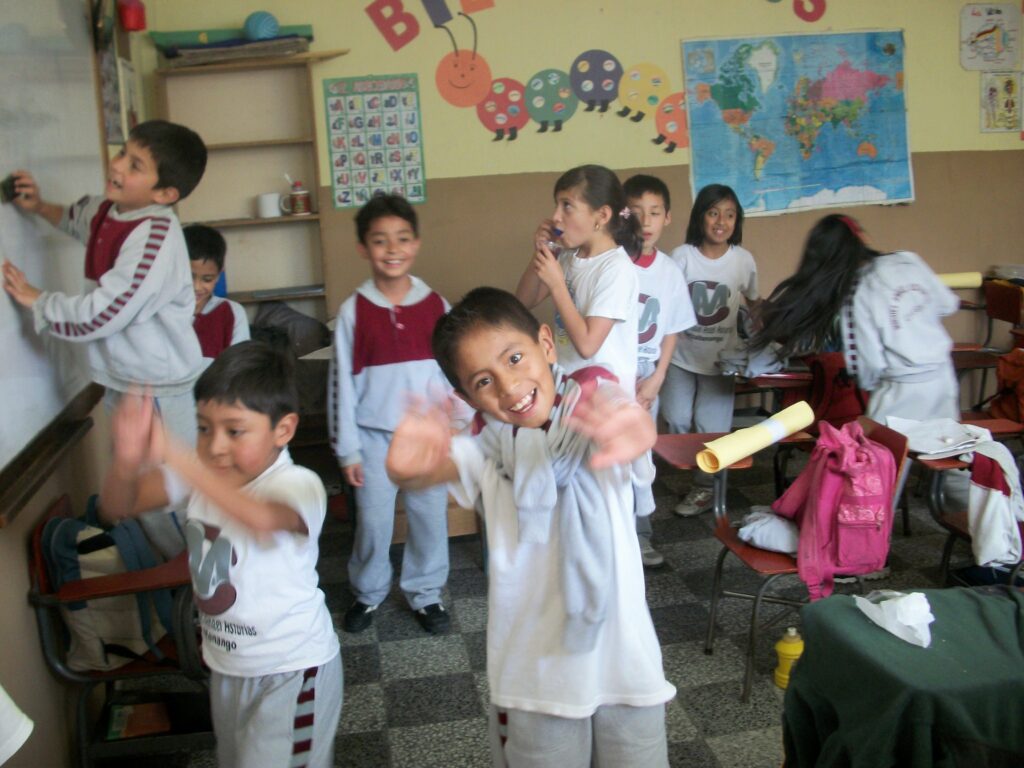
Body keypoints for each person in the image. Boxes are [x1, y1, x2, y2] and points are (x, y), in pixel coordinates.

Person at [389, 287, 675, 768]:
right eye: (484, 381)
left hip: (623, 661)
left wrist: (630, 434)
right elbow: (427, 468)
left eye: (515, 358)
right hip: (536, 677)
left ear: (546, 344)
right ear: (464, 397)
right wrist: (405, 464)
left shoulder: (592, 402)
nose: (509, 386)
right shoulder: (485, 446)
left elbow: (632, 424)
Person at [99, 341, 342, 768]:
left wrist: (177, 454)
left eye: (234, 430)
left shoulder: (298, 484)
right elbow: (118, 505)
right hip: (228, 667)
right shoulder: (202, 473)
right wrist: (125, 457)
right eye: (203, 428)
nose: (214, 447)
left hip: (291, 669)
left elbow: (262, 520)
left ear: (282, 430)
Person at [2, 120, 207, 445]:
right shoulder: (109, 209)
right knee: (129, 482)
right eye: (123, 153)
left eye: (135, 165)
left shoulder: (153, 238)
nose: (118, 165)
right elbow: (79, 219)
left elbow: (104, 314)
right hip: (123, 379)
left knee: (167, 490)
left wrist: (40, 301)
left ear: (165, 194)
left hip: (156, 389)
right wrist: (39, 206)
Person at [329, 192, 459, 634]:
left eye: (402, 239)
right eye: (381, 241)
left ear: (416, 243)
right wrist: (347, 450)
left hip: (424, 440)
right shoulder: (353, 312)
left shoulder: (436, 305)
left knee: (429, 519)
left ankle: (426, 594)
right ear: (364, 248)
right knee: (374, 523)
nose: (393, 249)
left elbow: (453, 373)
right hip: (372, 439)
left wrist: (451, 428)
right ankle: (368, 593)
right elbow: (342, 386)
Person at [751, 213, 960, 421]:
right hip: (944, 378)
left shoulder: (857, 293)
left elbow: (870, 365)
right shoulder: (908, 260)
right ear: (862, 238)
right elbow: (948, 304)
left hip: (900, 390)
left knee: (883, 451)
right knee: (944, 445)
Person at [662, 183, 759, 517]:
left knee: (712, 429)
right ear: (700, 216)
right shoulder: (681, 256)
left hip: (721, 362)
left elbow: (754, 301)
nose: (722, 221)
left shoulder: (743, 261)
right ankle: (694, 471)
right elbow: (665, 302)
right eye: (714, 212)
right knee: (676, 419)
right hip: (680, 357)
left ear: (737, 220)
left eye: (730, 215)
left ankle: (704, 489)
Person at [623, 174, 696, 568]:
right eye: (635, 213)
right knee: (606, 461)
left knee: (640, 459)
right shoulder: (612, 263)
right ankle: (610, 539)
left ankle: (642, 535)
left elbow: (671, 329)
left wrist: (657, 377)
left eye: (653, 213)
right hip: (609, 376)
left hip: (646, 375)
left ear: (667, 218)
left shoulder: (668, 271)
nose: (645, 222)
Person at [515, 164, 641, 391]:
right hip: (572, 390)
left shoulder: (616, 269)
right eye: (557, 205)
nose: (556, 217)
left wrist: (557, 284)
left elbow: (587, 346)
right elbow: (523, 302)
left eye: (567, 206)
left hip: (606, 403)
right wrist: (542, 252)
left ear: (601, 215)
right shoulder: (567, 257)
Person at [185, 224, 249, 363]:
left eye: (207, 279)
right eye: (189, 277)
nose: (196, 287)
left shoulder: (232, 313)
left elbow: (239, 367)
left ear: (219, 276)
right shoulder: (162, 312)